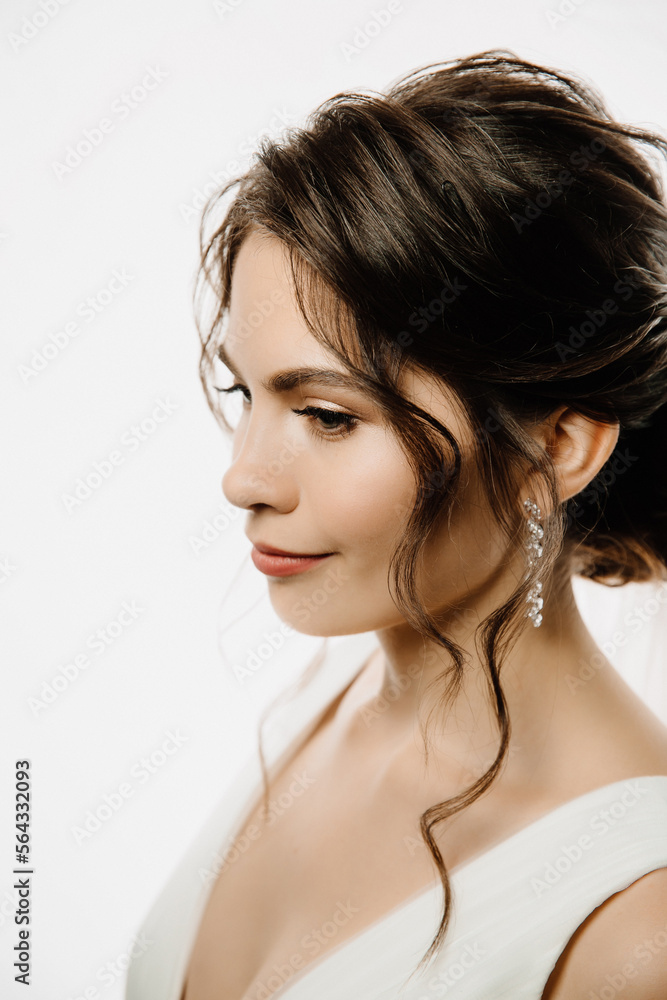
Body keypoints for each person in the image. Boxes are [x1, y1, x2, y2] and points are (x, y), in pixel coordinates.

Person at [125, 49, 667, 999]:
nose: (242, 476)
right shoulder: (316, 704)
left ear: (557, 448)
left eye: (329, 416)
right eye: (242, 390)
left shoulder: (635, 928)